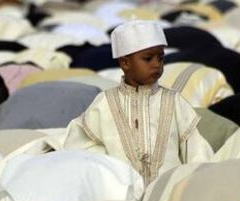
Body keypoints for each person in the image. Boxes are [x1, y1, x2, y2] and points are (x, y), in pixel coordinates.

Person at [63, 20, 213, 185]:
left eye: (161, 58)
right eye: (148, 59)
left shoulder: (174, 101)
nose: (157, 64)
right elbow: (83, 153)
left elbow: (196, 152)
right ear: (125, 63)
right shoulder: (104, 103)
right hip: (120, 198)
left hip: (168, 195)